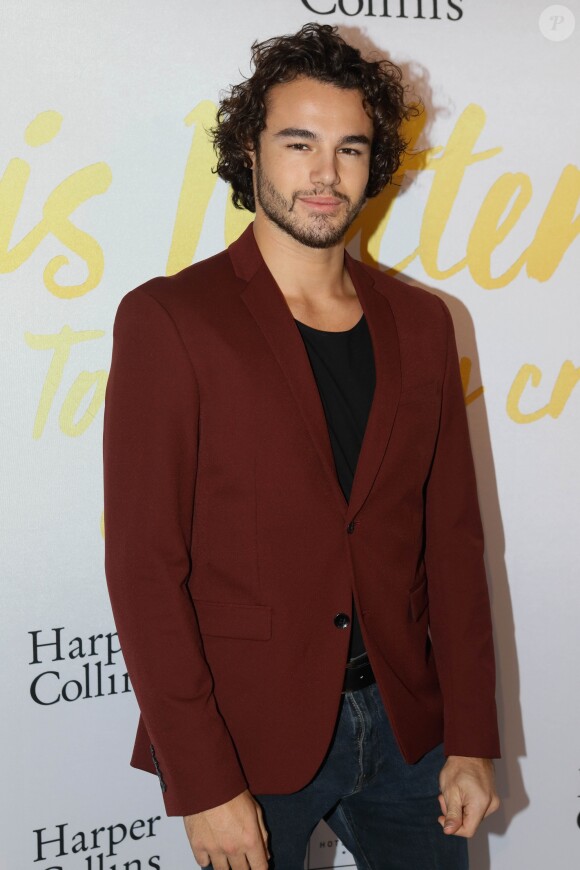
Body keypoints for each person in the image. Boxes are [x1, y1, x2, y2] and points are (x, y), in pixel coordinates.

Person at [103, 23, 500, 870]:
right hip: (248, 738)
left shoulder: (424, 323)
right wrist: (202, 780)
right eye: (299, 143)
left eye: (350, 148)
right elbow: (144, 568)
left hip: (408, 730)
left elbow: (454, 542)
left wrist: (470, 734)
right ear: (250, 153)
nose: (326, 173)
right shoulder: (171, 320)